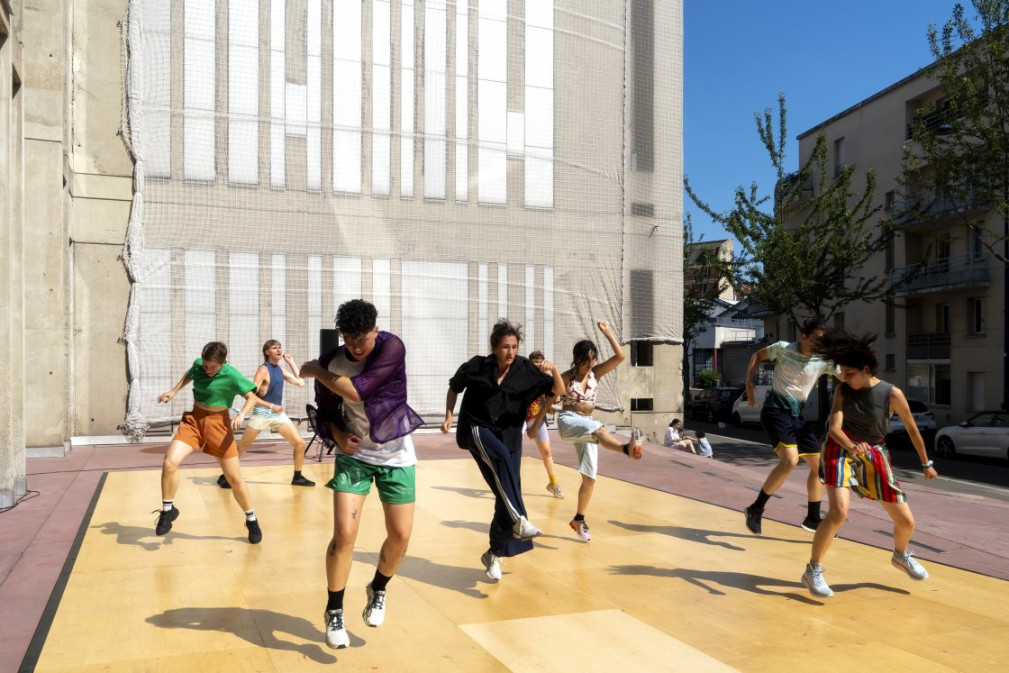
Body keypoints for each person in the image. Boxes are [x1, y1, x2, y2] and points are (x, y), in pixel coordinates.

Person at [299, 299, 423, 649]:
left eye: (362, 339)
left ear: (375, 331)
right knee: (344, 533)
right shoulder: (332, 361)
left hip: (396, 451)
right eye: (349, 339)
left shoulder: (391, 347)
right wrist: (337, 435)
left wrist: (316, 371)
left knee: (399, 536)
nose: (355, 346)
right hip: (355, 457)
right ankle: (334, 610)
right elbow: (326, 412)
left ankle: (378, 587)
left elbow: (357, 390)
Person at [801, 331, 938, 598]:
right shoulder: (843, 390)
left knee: (907, 522)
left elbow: (912, 430)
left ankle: (900, 556)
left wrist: (926, 463)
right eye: (842, 372)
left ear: (866, 370)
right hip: (840, 449)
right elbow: (834, 428)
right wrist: (852, 446)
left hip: (875, 453)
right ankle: (812, 570)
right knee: (839, 512)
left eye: (849, 373)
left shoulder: (892, 394)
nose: (844, 377)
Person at [441, 320, 565, 582]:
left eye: (514, 346)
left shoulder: (525, 369)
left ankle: (494, 553)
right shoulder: (477, 366)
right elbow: (454, 387)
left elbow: (558, 391)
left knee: (505, 491)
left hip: (510, 439)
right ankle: (519, 520)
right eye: (505, 347)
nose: (510, 351)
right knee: (502, 473)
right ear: (495, 348)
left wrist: (552, 369)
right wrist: (449, 415)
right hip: (476, 429)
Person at [155, 341, 274, 544]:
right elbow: (189, 374)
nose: (207, 369)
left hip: (219, 424)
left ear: (223, 363)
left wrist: (242, 415)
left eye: (212, 367)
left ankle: (251, 519)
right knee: (169, 462)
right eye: (205, 365)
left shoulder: (232, 375)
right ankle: (168, 509)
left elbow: (252, 397)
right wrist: (173, 391)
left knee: (235, 479)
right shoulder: (199, 365)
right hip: (194, 421)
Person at [743, 319, 838, 534]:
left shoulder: (822, 361)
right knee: (790, 461)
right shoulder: (783, 348)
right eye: (815, 340)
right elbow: (757, 356)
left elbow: (847, 375)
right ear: (804, 336)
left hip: (796, 416)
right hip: (775, 411)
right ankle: (755, 509)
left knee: (820, 468)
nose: (817, 345)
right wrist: (749, 382)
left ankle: (813, 518)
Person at [556, 320, 644, 542]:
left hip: (586, 425)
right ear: (576, 359)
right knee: (598, 428)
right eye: (586, 360)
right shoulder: (567, 377)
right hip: (568, 422)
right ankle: (626, 449)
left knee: (590, 478)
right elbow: (549, 400)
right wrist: (536, 425)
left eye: (592, 359)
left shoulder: (596, 373)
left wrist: (606, 332)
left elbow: (620, 357)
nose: (590, 363)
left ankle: (579, 519)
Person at [217, 340, 311, 489]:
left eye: (280, 347)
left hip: (278, 415)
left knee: (299, 444)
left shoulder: (280, 369)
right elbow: (251, 394)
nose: (279, 350)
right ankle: (225, 476)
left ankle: (298, 477)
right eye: (275, 348)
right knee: (241, 448)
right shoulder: (263, 370)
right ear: (267, 352)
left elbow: (301, 383)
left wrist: (291, 362)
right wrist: (242, 413)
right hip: (261, 414)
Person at [526, 350, 563, 498]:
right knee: (512, 449)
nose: (538, 363)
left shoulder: (547, 380)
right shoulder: (522, 377)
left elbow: (557, 395)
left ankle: (553, 483)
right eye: (534, 361)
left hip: (537, 418)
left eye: (540, 361)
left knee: (546, 452)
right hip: (520, 417)